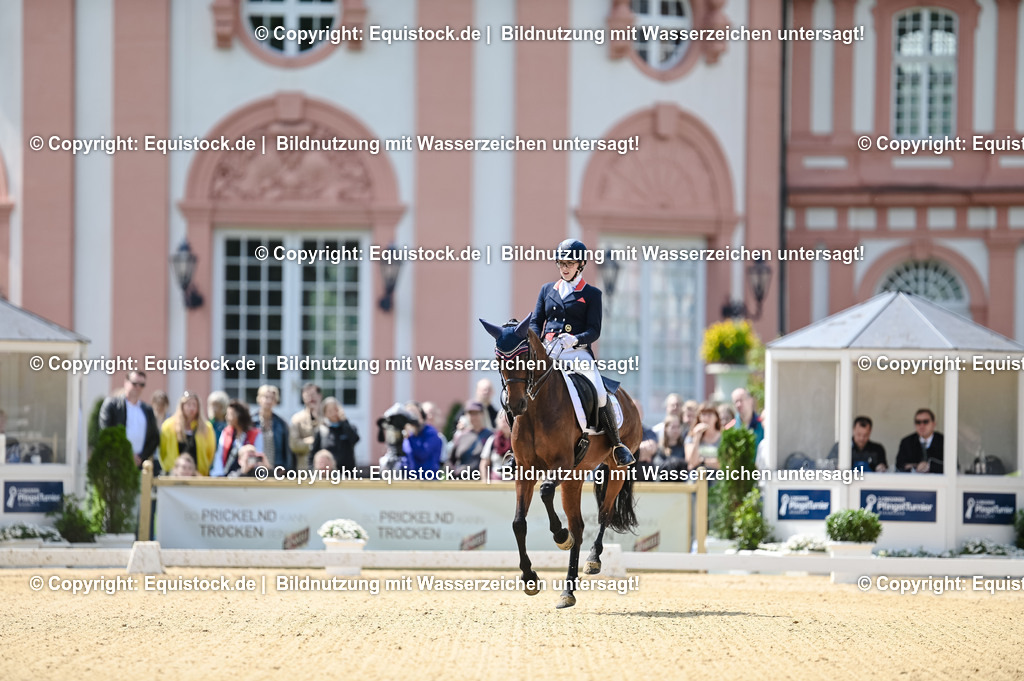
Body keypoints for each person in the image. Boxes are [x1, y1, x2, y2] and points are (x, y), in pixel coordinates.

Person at [529, 238, 634, 466]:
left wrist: (575, 339)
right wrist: (538, 343)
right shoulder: (547, 290)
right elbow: (537, 321)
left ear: (581, 265)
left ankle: (616, 444)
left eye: (569, 263)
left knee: (598, 390)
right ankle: (515, 447)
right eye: (561, 263)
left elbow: (594, 331)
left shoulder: (592, 294)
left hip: (576, 352)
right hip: (549, 351)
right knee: (524, 388)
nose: (564, 268)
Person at [98, 370, 160, 471]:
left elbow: (154, 438)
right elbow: (106, 433)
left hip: (139, 467)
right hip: (115, 464)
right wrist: (127, 454)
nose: (138, 387)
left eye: (141, 384)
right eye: (134, 383)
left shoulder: (147, 410)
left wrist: (141, 457)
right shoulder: (112, 405)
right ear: (126, 383)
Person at [158, 391, 216, 476]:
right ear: (182, 406)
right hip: (174, 474)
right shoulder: (168, 426)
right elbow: (163, 451)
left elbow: (210, 453)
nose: (191, 408)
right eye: (188, 405)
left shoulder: (207, 427)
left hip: (198, 475)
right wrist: (169, 468)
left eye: (194, 405)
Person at [210, 400, 263, 477]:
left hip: (248, 476)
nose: (226, 417)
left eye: (229, 414)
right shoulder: (226, 432)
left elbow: (258, 455)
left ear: (239, 415)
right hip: (228, 475)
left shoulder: (256, 434)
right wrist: (218, 474)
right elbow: (219, 456)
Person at [312, 397, 360, 472]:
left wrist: (344, 421)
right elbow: (313, 454)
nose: (334, 413)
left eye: (335, 409)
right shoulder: (321, 430)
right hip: (328, 474)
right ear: (325, 414)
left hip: (347, 473)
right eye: (330, 411)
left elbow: (355, 439)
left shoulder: (349, 427)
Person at [448, 401, 492, 476]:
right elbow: (450, 461)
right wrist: (453, 473)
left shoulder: (490, 436)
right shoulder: (460, 436)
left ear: (482, 414)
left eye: (476, 413)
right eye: (470, 414)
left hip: (483, 480)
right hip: (462, 480)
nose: (473, 417)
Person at [253, 384, 291, 471]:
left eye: (272, 398)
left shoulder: (281, 424)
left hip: (276, 469)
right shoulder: (251, 422)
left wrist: (285, 468)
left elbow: (286, 451)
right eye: (266, 397)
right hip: (255, 468)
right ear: (259, 399)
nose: (269, 401)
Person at [896, 408, 944, 474]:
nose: (921, 425)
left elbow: (954, 466)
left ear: (934, 424)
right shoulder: (907, 442)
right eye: (918, 422)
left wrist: (931, 466)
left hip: (940, 482)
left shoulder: (944, 441)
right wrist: (917, 466)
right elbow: (899, 465)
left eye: (925, 422)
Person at [401, 402, 444, 474]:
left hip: (428, 481)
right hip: (410, 480)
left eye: (414, 414)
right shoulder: (407, 435)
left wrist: (410, 437)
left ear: (422, 416)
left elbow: (422, 454)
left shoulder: (431, 433)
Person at [289, 382, 321, 471]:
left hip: (326, 471)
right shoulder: (297, 419)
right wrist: (313, 442)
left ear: (320, 396)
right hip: (305, 469)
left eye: (313, 394)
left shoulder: (328, 416)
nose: (311, 398)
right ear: (303, 397)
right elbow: (294, 445)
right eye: (308, 395)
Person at [685, 402, 723, 470]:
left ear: (716, 417)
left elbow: (723, 462)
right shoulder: (691, 437)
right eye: (703, 414)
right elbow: (691, 462)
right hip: (697, 475)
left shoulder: (723, 437)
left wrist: (702, 461)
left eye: (709, 414)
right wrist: (697, 438)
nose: (706, 418)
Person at [481, 410, 513, 480]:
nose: (505, 424)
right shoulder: (492, 440)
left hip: (515, 482)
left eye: (508, 421)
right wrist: (485, 481)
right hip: (496, 482)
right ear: (497, 422)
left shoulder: (519, 442)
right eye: (503, 421)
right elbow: (484, 463)